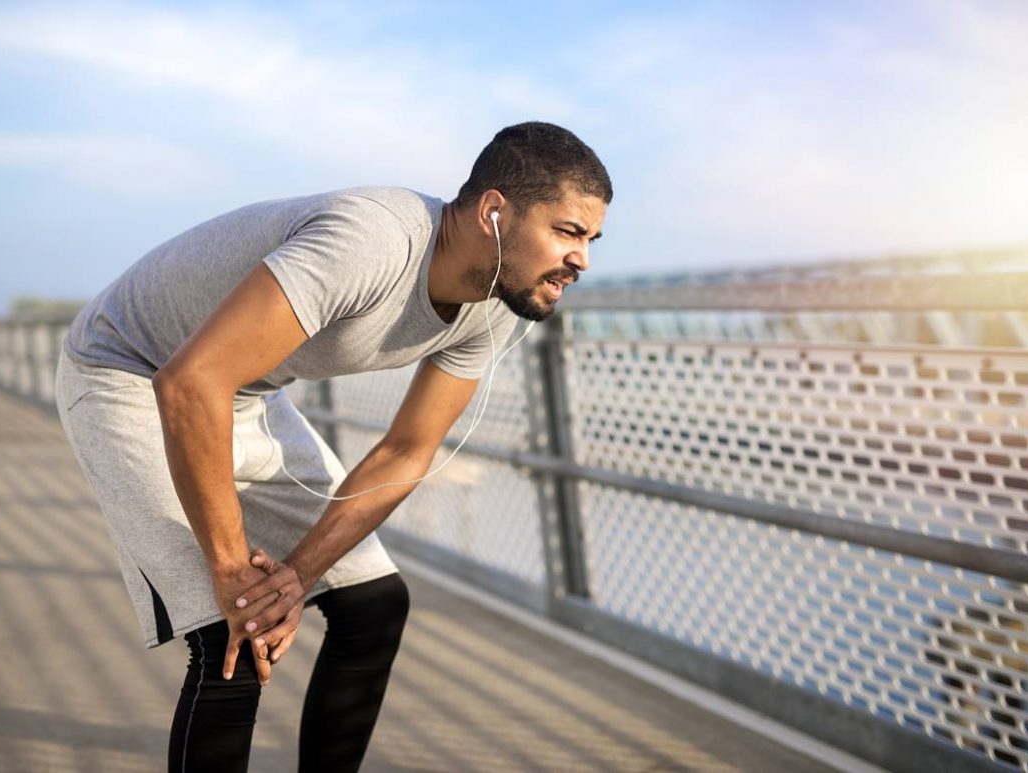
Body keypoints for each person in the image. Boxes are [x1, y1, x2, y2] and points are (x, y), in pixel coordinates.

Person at [54, 121, 611, 772]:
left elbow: (406, 451)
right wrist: (236, 571)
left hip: (242, 390)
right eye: (569, 231)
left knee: (373, 605)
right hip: (130, 371)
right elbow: (189, 382)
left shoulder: (493, 301)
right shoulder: (371, 240)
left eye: (592, 239)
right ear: (494, 211)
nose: (584, 260)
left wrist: (298, 575)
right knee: (231, 634)